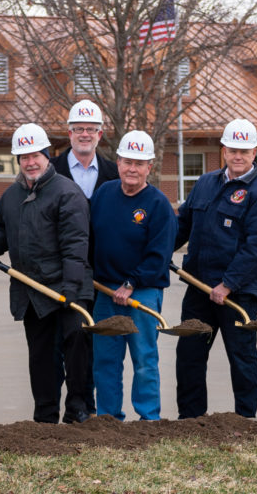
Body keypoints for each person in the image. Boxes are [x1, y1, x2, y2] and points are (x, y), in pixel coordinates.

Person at [0, 123, 93, 424]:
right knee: (42, 357)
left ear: (46, 156)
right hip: (33, 292)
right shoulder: (11, 196)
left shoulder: (68, 193)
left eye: (35, 156)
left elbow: (75, 244)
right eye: (23, 157)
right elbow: (6, 231)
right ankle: (45, 415)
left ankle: (78, 409)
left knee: (76, 349)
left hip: (70, 288)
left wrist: (70, 288)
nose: (30, 162)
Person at [175, 118, 257, 419]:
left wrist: (228, 284)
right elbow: (183, 224)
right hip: (198, 288)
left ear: (254, 153)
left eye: (245, 151)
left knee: (242, 358)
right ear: (224, 150)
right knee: (190, 356)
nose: (238, 156)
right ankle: (191, 420)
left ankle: (245, 420)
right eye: (233, 149)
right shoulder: (206, 183)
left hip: (238, 294)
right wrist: (159, 251)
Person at [90, 131, 177, 421]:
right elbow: (90, 239)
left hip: (142, 293)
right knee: (105, 361)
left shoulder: (158, 205)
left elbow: (159, 256)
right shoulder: (103, 194)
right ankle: (108, 418)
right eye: (128, 161)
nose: (132, 169)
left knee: (144, 360)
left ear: (149, 167)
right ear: (118, 162)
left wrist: (130, 284)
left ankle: (149, 418)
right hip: (104, 293)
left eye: (139, 164)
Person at [50, 99, 118, 415]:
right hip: (61, 270)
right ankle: (67, 405)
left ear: (100, 134)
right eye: (79, 129)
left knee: (88, 341)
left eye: (91, 129)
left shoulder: (114, 173)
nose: (85, 134)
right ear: (70, 132)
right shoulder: (52, 171)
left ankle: (84, 406)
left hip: (100, 274)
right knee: (63, 342)